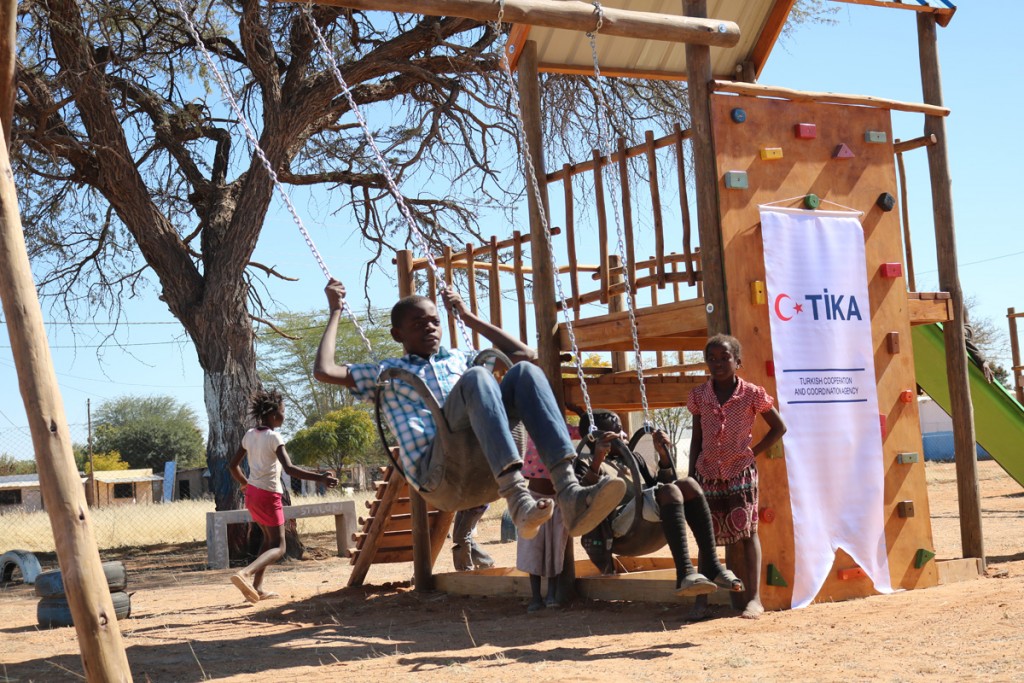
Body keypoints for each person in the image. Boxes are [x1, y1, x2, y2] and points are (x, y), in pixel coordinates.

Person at [313, 279, 625, 542]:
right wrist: (335, 310)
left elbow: (524, 354)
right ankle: (518, 500)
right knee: (478, 376)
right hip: (438, 473)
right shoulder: (386, 373)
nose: (430, 328)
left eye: (435, 321)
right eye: (418, 324)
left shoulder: (460, 359)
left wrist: (466, 316)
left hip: (481, 458)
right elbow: (324, 370)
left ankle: (569, 492)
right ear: (398, 335)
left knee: (525, 372)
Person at [573, 409, 744, 603]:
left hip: (644, 519)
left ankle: (712, 566)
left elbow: (663, 488)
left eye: (622, 430)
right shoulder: (584, 463)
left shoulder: (633, 459)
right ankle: (685, 572)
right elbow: (581, 502)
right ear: (597, 438)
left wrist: (663, 456)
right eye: (617, 432)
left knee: (689, 484)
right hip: (619, 528)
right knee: (669, 491)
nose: (624, 435)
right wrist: (597, 462)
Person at [687, 334, 786, 620]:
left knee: (748, 534)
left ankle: (754, 599)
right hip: (707, 473)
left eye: (724, 357)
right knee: (706, 537)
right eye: (712, 359)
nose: (718, 363)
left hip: (740, 473)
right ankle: (701, 601)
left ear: (737, 361)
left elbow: (779, 427)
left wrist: (752, 453)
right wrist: (692, 475)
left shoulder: (752, 394)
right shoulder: (699, 396)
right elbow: (697, 438)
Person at [228, 389, 339, 603]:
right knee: (280, 546)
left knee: (268, 540)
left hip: (252, 495)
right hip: (268, 495)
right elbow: (289, 469)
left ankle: (257, 588)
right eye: (282, 411)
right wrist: (321, 478)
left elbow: (233, 465)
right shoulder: (274, 437)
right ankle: (245, 574)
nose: (284, 416)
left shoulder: (249, 435)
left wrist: (245, 484)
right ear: (273, 415)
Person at [516, 433, 570, 612]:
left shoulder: (561, 432)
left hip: (557, 500)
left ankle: (551, 594)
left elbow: (581, 430)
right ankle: (536, 597)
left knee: (556, 547)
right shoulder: (530, 435)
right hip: (533, 500)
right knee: (533, 548)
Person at [451, 505, 495, 571]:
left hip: (474, 506)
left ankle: (466, 568)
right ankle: (486, 562)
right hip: (462, 506)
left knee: (462, 537)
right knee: (459, 537)